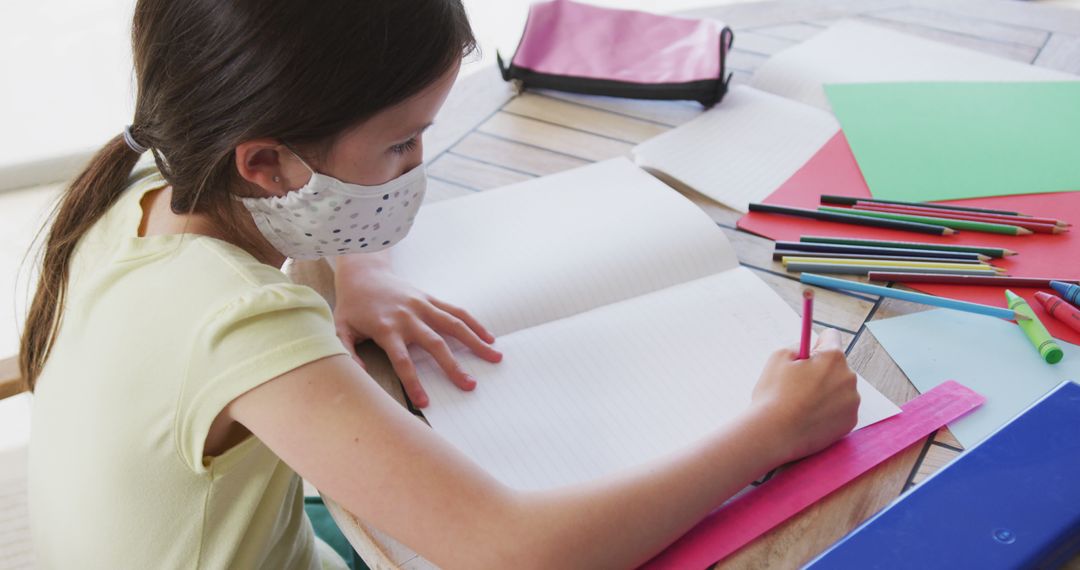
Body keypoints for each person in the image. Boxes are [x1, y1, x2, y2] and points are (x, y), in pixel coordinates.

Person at [21, 1, 861, 568]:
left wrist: (358, 263)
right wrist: (770, 433)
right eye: (402, 145)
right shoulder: (241, 321)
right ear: (268, 163)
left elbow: (304, 202)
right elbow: (516, 551)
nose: (419, 168)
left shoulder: (138, 190)